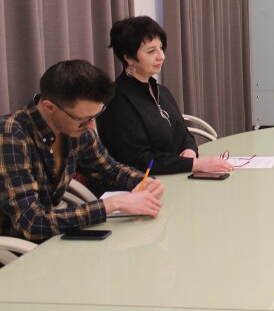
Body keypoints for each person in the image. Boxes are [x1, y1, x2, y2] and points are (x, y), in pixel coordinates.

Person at [0, 60, 164, 242]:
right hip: (14, 249)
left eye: (95, 116)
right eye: (84, 119)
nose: (91, 126)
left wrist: (143, 181)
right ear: (49, 107)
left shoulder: (75, 129)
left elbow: (109, 169)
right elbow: (31, 223)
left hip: (51, 240)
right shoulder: (11, 135)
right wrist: (111, 205)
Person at [97, 16, 232, 179]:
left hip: (176, 176)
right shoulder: (117, 100)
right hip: (142, 184)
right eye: (151, 51)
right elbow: (138, 160)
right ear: (128, 57)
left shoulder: (161, 91)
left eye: (161, 48)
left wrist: (190, 150)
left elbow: (184, 134)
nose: (161, 56)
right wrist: (194, 164)